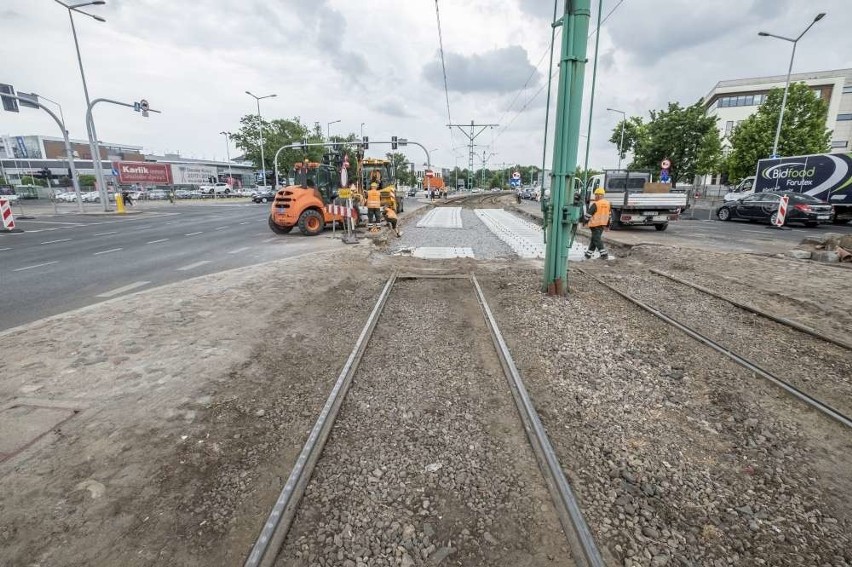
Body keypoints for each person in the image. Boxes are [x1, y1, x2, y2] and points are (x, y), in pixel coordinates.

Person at [584, 187, 610, 259]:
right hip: (602, 224)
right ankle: (588, 254)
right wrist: (607, 226)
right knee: (595, 239)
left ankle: (604, 254)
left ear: (599, 195)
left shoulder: (596, 204)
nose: (595, 196)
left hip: (594, 224)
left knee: (596, 239)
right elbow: (609, 215)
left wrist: (584, 222)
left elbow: (588, 215)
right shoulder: (608, 203)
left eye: (596, 195)